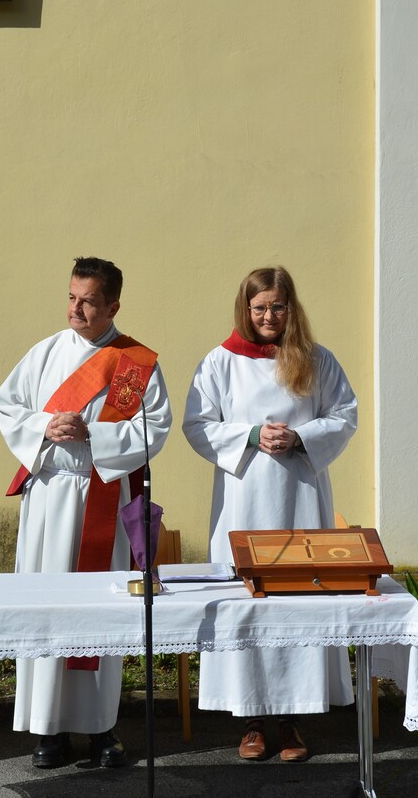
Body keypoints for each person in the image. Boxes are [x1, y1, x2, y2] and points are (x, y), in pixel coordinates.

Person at [0, 257, 172, 769]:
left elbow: (153, 429)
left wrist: (94, 434)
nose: (76, 308)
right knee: (47, 608)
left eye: (88, 301)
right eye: (72, 297)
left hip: (102, 495)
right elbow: (7, 405)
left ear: (113, 305)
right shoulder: (45, 352)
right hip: (50, 495)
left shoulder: (134, 363)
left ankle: (100, 728)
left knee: (98, 609)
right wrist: (43, 428)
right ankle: (46, 729)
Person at [182, 265, 358, 762]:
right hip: (244, 499)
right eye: (259, 307)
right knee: (248, 603)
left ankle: (293, 719)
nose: (268, 316)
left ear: (290, 307)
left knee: (299, 601)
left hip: (300, 496)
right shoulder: (220, 361)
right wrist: (249, 434)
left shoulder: (316, 359)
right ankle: (251, 721)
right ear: (246, 308)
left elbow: (344, 415)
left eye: (277, 307)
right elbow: (197, 424)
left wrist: (300, 436)